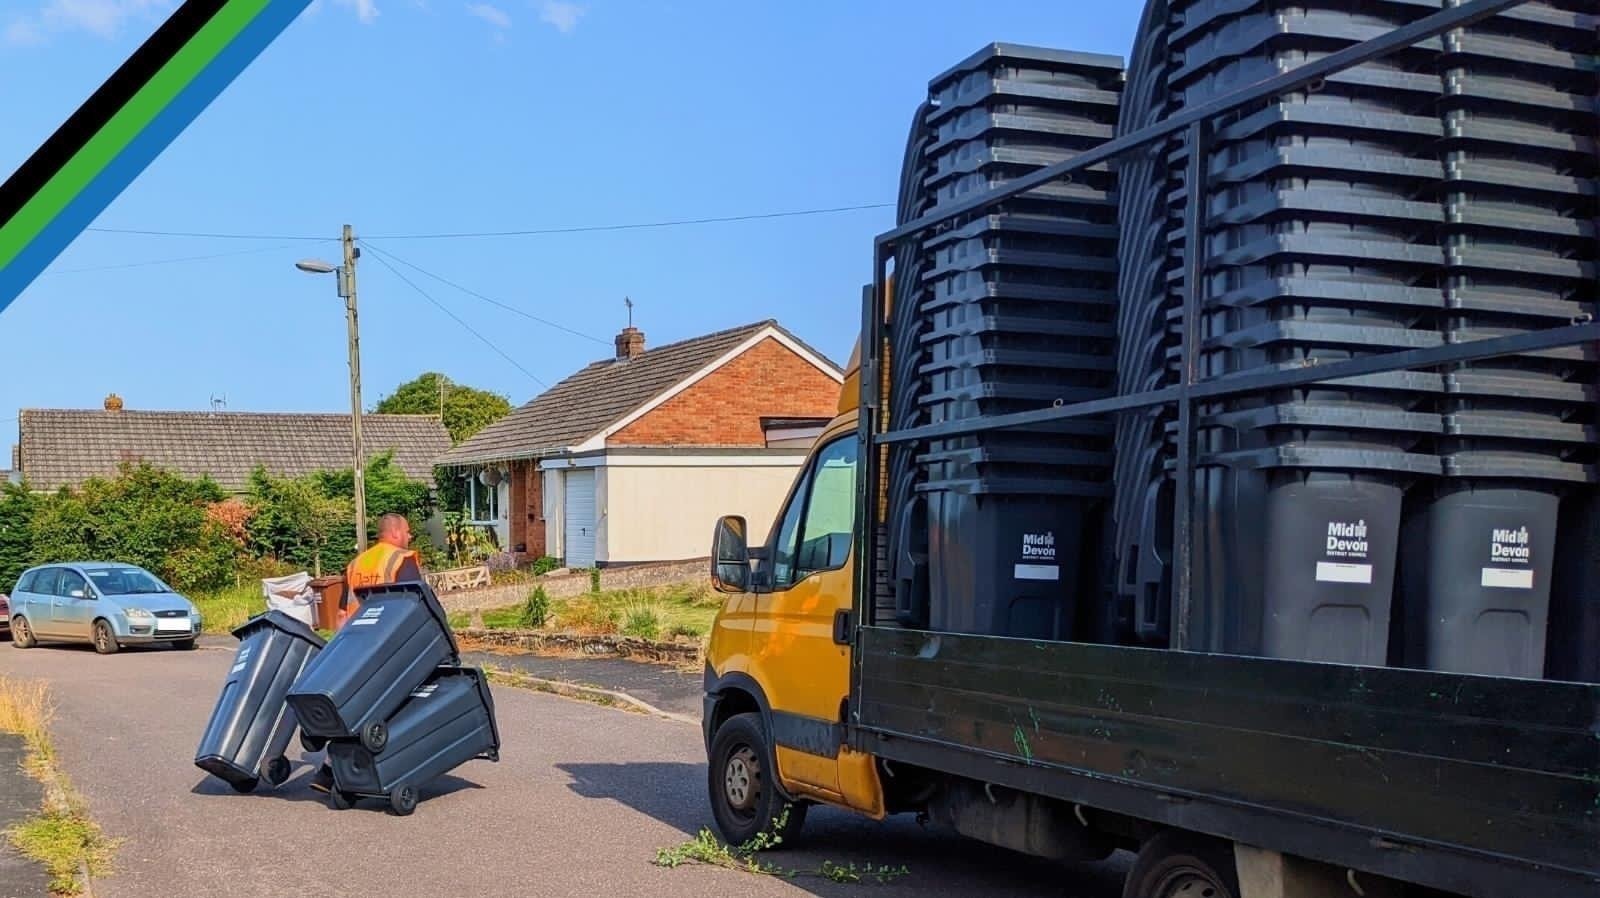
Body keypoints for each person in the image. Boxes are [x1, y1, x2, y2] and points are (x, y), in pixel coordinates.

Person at [308, 513, 424, 795]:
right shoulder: (402, 560)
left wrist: (340, 652)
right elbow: (415, 604)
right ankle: (358, 769)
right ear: (395, 533)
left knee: (358, 707)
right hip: (387, 646)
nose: (410, 537)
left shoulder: (355, 564)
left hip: (355, 647)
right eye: (407, 531)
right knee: (388, 708)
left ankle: (328, 771)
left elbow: (341, 615)